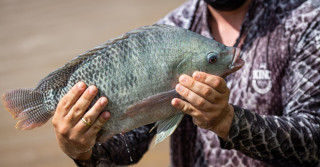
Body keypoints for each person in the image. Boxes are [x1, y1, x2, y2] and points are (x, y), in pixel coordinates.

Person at [52, 0, 320, 166]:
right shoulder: (171, 29)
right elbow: (128, 146)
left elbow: (313, 140)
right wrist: (81, 149)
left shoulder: (306, 19)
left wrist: (228, 122)